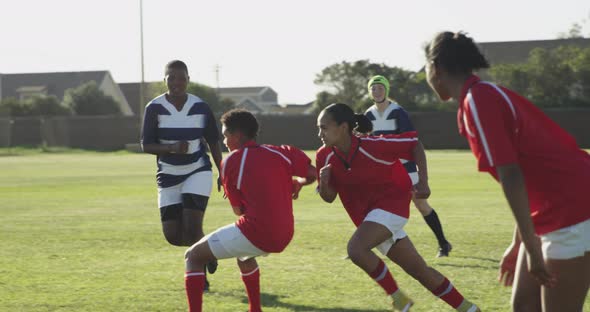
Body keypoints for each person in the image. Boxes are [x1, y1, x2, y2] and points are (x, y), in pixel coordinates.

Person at [424, 31, 590, 312]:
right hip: (554, 209)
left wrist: (531, 245)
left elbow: (511, 174)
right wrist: (519, 244)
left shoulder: (477, 100)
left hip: (573, 211)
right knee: (525, 305)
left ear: (436, 68)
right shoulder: (479, 97)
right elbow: (524, 175)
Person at [316, 103, 480, 312]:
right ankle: (469, 309)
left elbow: (415, 144)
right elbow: (328, 197)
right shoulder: (324, 156)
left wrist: (423, 182)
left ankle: (399, 300)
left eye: (324, 127)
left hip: (392, 206)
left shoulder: (373, 145)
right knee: (420, 271)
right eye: (319, 128)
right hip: (371, 220)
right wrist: (324, 182)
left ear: (343, 127)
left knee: (356, 249)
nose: (320, 133)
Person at [184, 109, 317, 312]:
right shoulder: (282, 151)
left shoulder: (230, 161)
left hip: (258, 232)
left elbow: (238, 211)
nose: (224, 141)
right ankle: (255, 308)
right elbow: (312, 174)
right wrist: (297, 183)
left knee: (193, 256)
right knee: (244, 255)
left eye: (226, 136)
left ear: (237, 136)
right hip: (285, 233)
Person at [140, 60, 222, 287]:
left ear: (188, 79)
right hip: (168, 175)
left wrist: (222, 170)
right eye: (171, 78)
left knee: (192, 225)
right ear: (164, 80)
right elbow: (146, 145)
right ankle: (210, 252)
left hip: (198, 170)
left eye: (181, 78)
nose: (177, 83)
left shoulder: (201, 106)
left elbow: (214, 141)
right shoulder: (154, 108)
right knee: (173, 235)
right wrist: (171, 148)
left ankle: (200, 279)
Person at [365, 75, 453, 257]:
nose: (377, 91)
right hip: (383, 170)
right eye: (373, 88)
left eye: (380, 88)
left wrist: (421, 176)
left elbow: (412, 141)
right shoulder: (368, 115)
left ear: (386, 91)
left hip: (405, 168)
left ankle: (443, 244)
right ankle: (363, 245)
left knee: (421, 205)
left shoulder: (398, 112)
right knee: (374, 207)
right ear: (369, 91)